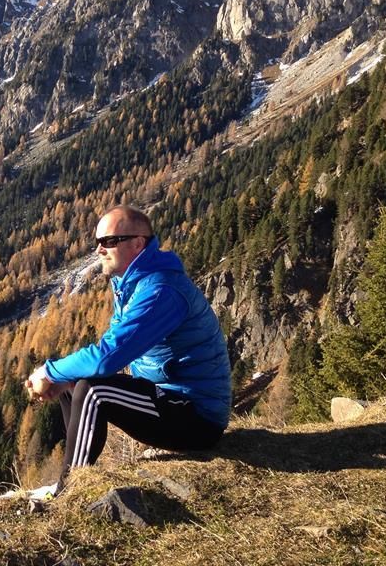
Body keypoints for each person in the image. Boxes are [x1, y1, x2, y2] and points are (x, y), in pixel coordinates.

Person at [25, 205, 231, 490]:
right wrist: (63, 378)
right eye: (98, 241)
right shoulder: (132, 284)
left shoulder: (160, 291)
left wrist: (48, 372)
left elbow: (107, 359)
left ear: (137, 244)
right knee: (74, 382)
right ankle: (71, 481)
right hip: (171, 401)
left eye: (109, 241)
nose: (99, 249)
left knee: (93, 391)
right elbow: (112, 349)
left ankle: (69, 489)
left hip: (196, 417)